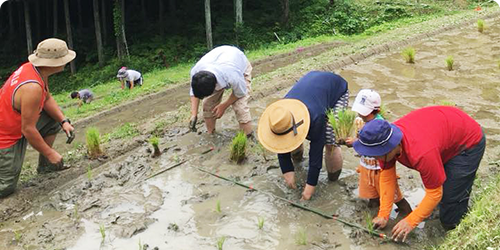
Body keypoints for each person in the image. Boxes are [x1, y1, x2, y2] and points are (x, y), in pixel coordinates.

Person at [353, 106, 485, 242]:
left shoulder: (421, 154)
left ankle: (458, 236)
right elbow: (387, 178)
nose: (374, 158)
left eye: (376, 155)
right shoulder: (387, 141)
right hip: (444, 136)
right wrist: (383, 214)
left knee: (450, 208)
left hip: (468, 143)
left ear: (388, 147)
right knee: (442, 192)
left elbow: (434, 193)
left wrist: (410, 222)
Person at [0, 38, 76, 198]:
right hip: (5, 136)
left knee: (53, 121)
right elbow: (27, 129)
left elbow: (47, 98)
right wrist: (50, 153)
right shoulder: (32, 87)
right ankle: (48, 160)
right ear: (53, 63)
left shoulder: (35, 70)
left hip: (16, 124)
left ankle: (46, 168)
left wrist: (63, 121)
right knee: (5, 187)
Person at [258, 71, 349, 200]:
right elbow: (281, 140)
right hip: (311, 92)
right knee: (289, 134)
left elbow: (315, 155)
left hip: (335, 89)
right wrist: (287, 170)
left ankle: (333, 180)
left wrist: (308, 191)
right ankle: (297, 161)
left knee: (329, 140)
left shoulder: (316, 117)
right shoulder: (280, 114)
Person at [346, 89, 412, 214]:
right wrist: (354, 142)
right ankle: (373, 212)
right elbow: (363, 143)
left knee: (395, 196)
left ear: (377, 110)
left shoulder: (381, 126)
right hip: (366, 166)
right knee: (372, 194)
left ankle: (406, 213)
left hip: (381, 169)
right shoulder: (362, 122)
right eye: (359, 111)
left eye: (364, 112)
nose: (361, 115)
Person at [189, 45, 253, 136]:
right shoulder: (196, 73)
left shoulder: (233, 75)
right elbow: (194, 93)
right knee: (208, 104)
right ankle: (212, 135)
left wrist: (224, 106)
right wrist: (194, 114)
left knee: (240, 106)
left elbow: (240, 92)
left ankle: (248, 136)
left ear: (215, 86)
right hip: (219, 59)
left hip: (239, 64)